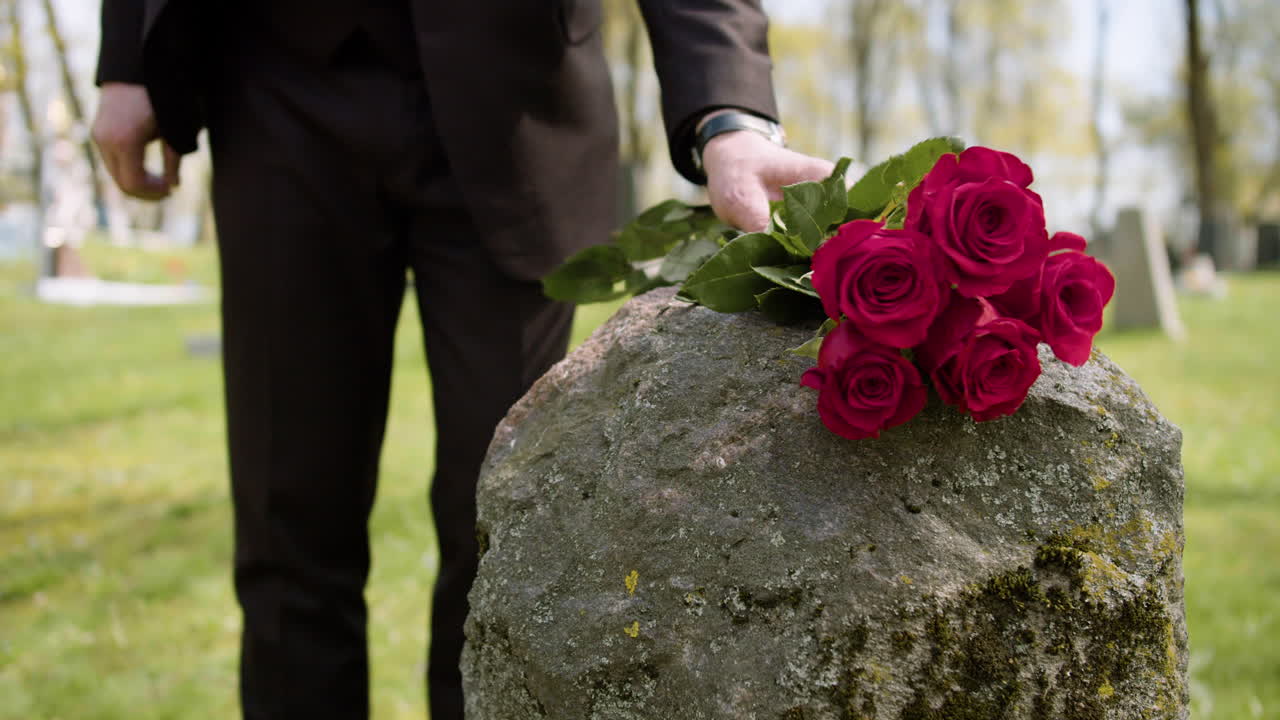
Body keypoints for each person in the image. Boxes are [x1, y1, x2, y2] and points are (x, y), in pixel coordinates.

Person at [92, 1, 832, 718]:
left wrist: (726, 116)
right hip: (274, 83)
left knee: (498, 532)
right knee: (289, 522)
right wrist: (125, 56)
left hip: (517, 102)